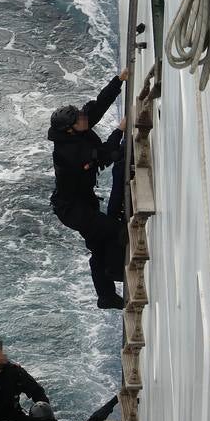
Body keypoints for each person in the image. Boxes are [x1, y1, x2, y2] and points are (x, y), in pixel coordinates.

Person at [48, 70, 129, 309]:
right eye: (79, 119)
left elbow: (97, 106)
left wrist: (119, 81)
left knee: (98, 246)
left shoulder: (77, 128)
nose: (84, 119)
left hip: (84, 203)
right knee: (115, 231)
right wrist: (119, 131)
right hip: (74, 210)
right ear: (70, 129)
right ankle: (115, 272)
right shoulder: (69, 154)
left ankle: (105, 296)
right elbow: (105, 155)